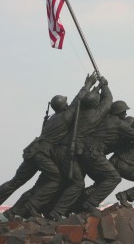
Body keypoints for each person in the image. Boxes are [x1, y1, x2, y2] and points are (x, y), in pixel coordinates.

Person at [0, 73, 97, 219]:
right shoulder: (65, 116)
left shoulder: (52, 118)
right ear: (63, 106)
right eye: (65, 103)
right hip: (43, 153)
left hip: (32, 150)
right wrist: (88, 85)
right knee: (56, 178)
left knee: (16, 181)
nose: (67, 104)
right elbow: (77, 101)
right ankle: (32, 207)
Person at [47, 76, 112, 221]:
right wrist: (105, 86)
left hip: (63, 150)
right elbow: (107, 102)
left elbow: (81, 99)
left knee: (73, 181)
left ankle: (62, 209)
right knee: (78, 182)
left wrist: (93, 87)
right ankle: (57, 212)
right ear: (95, 104)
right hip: (69, 151)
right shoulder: (94, 115)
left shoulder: (75, 112)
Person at [76, 100, 134, 213]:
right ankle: (90, 204)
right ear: (120, 113)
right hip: (94, 154)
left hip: (83, 152)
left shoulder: (103, 120)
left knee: (102, 180)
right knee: (114, 178)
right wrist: (129, 126)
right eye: (124, 112)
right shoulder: (120, 123)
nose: (125, 115)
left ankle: (78, 202)